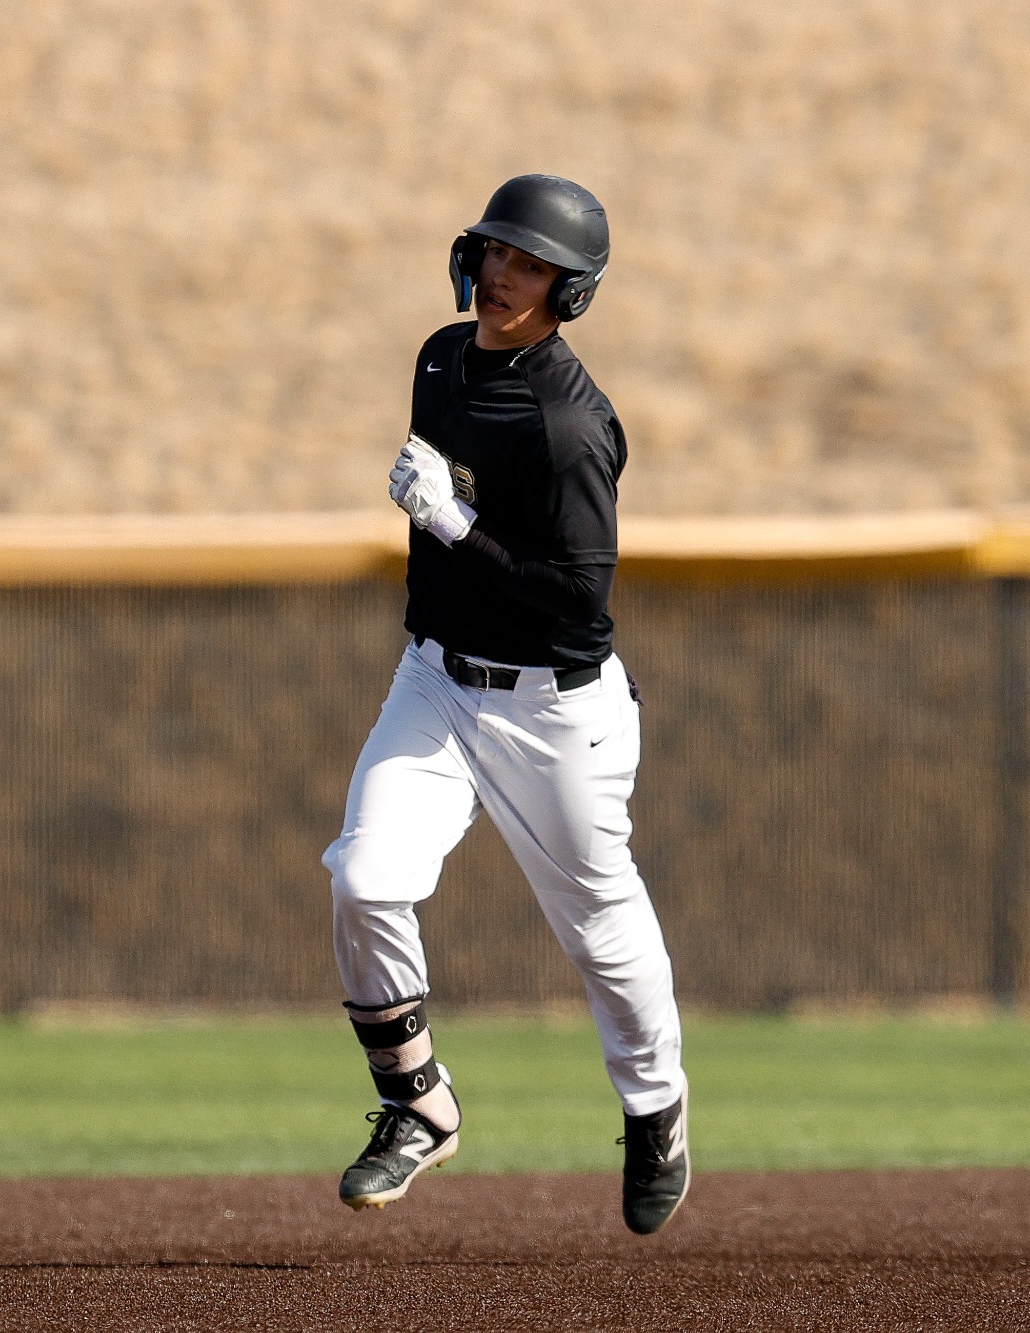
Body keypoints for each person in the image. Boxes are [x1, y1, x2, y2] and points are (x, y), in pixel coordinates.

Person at [322, 174, 690, 1235]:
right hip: (436, 678)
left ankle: (655, 1102)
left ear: (567, 289)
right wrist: (447, 540)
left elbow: (579, 594)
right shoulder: (439, 359)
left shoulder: (567, 423)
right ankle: (415, 1105)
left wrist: (449, 528)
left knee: (599, 928)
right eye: (493, 250)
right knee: (364, 876)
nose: (500, 274)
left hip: (553, 708)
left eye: (528, 263)